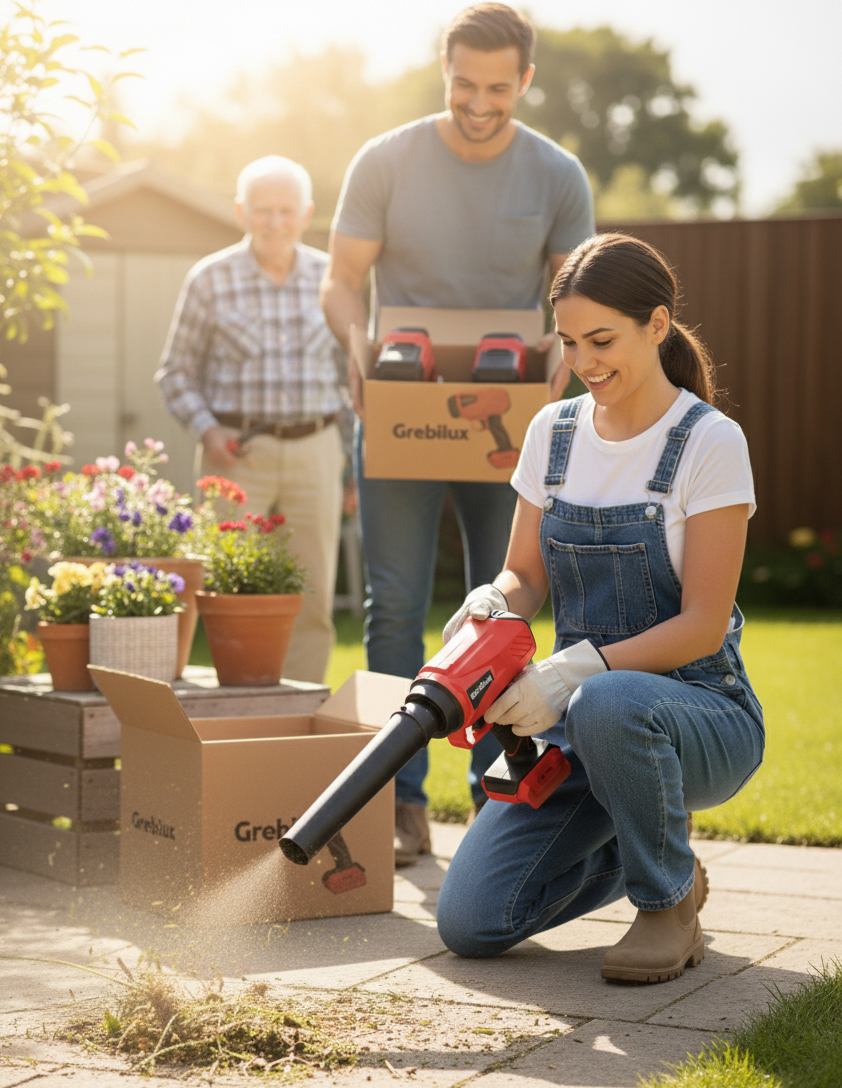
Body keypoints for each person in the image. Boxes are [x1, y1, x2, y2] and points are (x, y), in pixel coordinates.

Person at [436, 233, 764, 983]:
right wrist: (492, 601)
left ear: (657, 325)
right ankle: (658, 851)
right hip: (578, 720)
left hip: (699, 713)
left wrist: (574, 670)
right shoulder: (553, 431)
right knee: (471, 921)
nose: (585, 362)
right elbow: (523, 573)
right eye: (571, 342)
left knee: (609, 702)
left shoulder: (709, 443)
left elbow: (703, 625)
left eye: (604, 339)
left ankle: (666, 906)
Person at [321, 3, 595, 864]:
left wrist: (560, 360)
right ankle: (399, 804)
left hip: (505, 419)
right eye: (464, 85)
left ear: (526, 81)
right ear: (446, 75)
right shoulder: (387, 160)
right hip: (402, 409)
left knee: (500, 605)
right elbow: (341, 281)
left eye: (499, 88)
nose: (480, 103)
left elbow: (575, 292)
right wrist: (356, 347)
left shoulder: (555, 173)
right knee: (394, 603)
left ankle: (492, 800)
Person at [156, 156, 346, 684]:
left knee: (312, 594)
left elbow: (351, 376)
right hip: (235, 453)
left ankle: (302, 708)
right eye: (263, 210)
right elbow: (174, 373)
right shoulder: (209, 279)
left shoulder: (333, 279)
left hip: (317, 447)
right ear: (242, 210)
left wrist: (351, 462)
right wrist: (209, 431)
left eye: (286, 210)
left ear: (306, 213)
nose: (275, 221)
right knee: (220, 590)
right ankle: (230, 706)